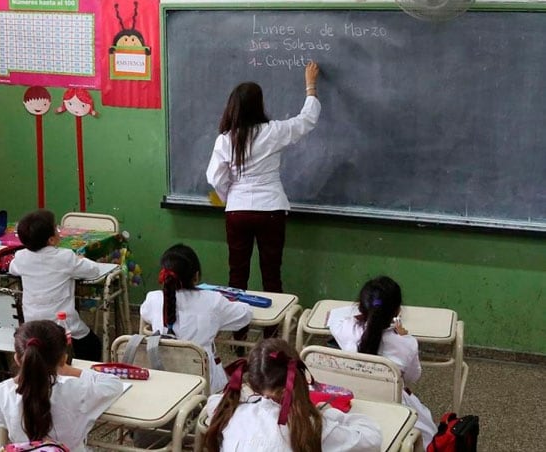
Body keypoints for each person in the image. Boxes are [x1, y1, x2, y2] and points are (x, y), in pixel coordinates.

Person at [205, 61, 321, 303]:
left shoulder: (226, 139)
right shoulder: (273, 132)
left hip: (237, 212)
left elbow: (215, 178)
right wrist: (311, 87)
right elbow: (306, 120)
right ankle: (272, 334)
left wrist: (230, 197)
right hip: (271, 209)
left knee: (237, 276)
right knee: (271, 275)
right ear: (259, 105)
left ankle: (238, 336)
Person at [204, 338, 381, 452]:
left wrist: (246, 394)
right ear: (298, 377)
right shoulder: (309, 426)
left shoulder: (231, 412)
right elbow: (372, 439)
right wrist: (329, 414)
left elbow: (213, 401)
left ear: (252, 382)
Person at [0, 320, 124, 452]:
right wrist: (70, 370)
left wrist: (19, 379)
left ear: (17, 359)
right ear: (63, 359)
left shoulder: (5, 395)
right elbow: (114, 384)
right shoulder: (77, 389)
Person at [329, 275, 437, 447]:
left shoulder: (345, 329)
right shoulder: (406, 343)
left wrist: (363, 313)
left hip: (351, 402)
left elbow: (333, 316)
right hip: (391, 405)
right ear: (397, 311)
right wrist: (403, 336)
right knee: (428, 428)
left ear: (360, 308)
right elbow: (412, 378)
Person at [139, 244, 252, 393]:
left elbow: (144, 313)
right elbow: (245, 315)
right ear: (196, 276)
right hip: (205, 386)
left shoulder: (153, 299)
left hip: (164, 381)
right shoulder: (213, 301)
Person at [9, 209, 106, 361]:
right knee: (92, 345)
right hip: (63, 324)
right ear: (51, 240)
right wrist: (80, 259)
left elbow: (12, 268)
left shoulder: (21, 257)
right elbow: (93, 271)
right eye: (56, 228)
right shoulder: (65, 257)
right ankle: (82, 375)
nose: (58, 231)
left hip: (32, 325)